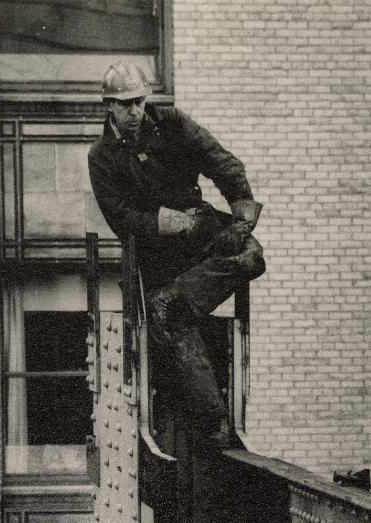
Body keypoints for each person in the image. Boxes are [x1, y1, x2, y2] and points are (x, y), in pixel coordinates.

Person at [88, 61, 266, 443]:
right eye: (125, 104)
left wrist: (242, 212)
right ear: (110, 106)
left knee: (252, 255)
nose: (135, 111)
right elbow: (121, 219)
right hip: (158, 256)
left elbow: (220, 161)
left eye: (138, 101)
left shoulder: (171, 123)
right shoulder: (101, 157)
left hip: (199, 234)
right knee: (176, 327)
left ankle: (176, 300)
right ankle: (214, 421)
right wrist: (163, 221)